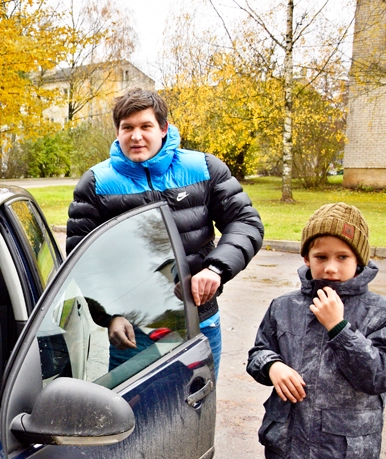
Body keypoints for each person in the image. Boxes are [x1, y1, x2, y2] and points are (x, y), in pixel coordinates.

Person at [66, 88, 264, 377]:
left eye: (145, 126)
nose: (136, 136)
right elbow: (83, 258)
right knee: (132, 415)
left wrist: (216, 269)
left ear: (163, 128)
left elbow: (245, 222)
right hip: (133, 329)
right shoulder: (95, 183)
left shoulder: (204, 168)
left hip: (199, 321)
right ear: (117, 132)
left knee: (195, 406)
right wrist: (109, 315)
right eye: (127, 128)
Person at [245, 203, 386, 459]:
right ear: (306, 258)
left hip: (348, 452)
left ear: (360, 260)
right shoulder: (284, 307)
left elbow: (377, 375)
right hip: (291, 442)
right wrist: (272, 367)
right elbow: (258, 352)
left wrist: (339, 327)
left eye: (342, 257)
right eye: (321, 257)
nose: (330, 268)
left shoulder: (378, 312)